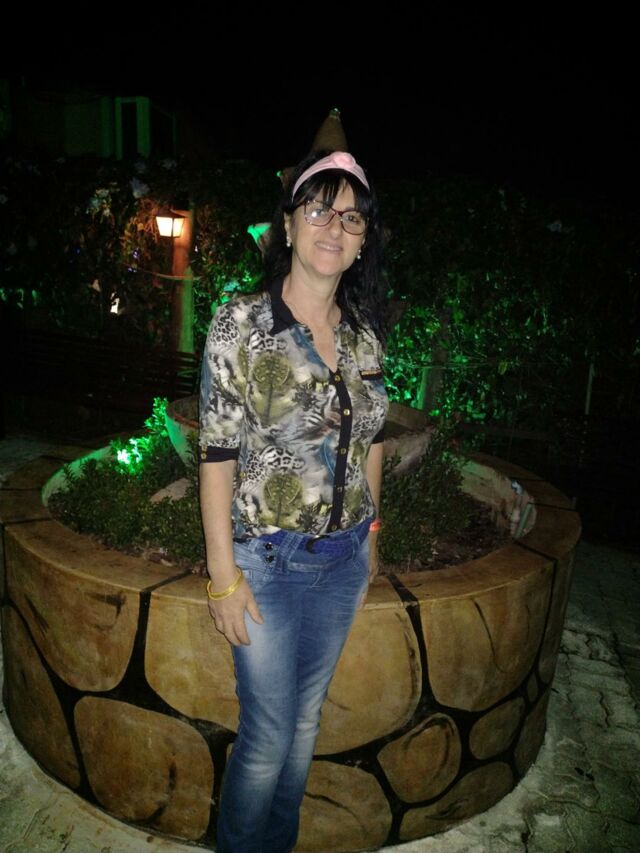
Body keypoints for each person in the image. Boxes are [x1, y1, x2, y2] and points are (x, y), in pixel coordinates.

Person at [198, 148, 389, 853]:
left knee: (305, 725)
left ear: (362, 242)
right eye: (319, 209)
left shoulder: (364, 335)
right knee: (269, 735)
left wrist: (373, 534)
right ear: (287, 225)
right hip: (268, 563)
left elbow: (373, 438)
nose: (334, 227)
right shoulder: (241, 323)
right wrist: (223, 575)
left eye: (351, 218)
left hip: (342, 562)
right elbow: (217, 455)